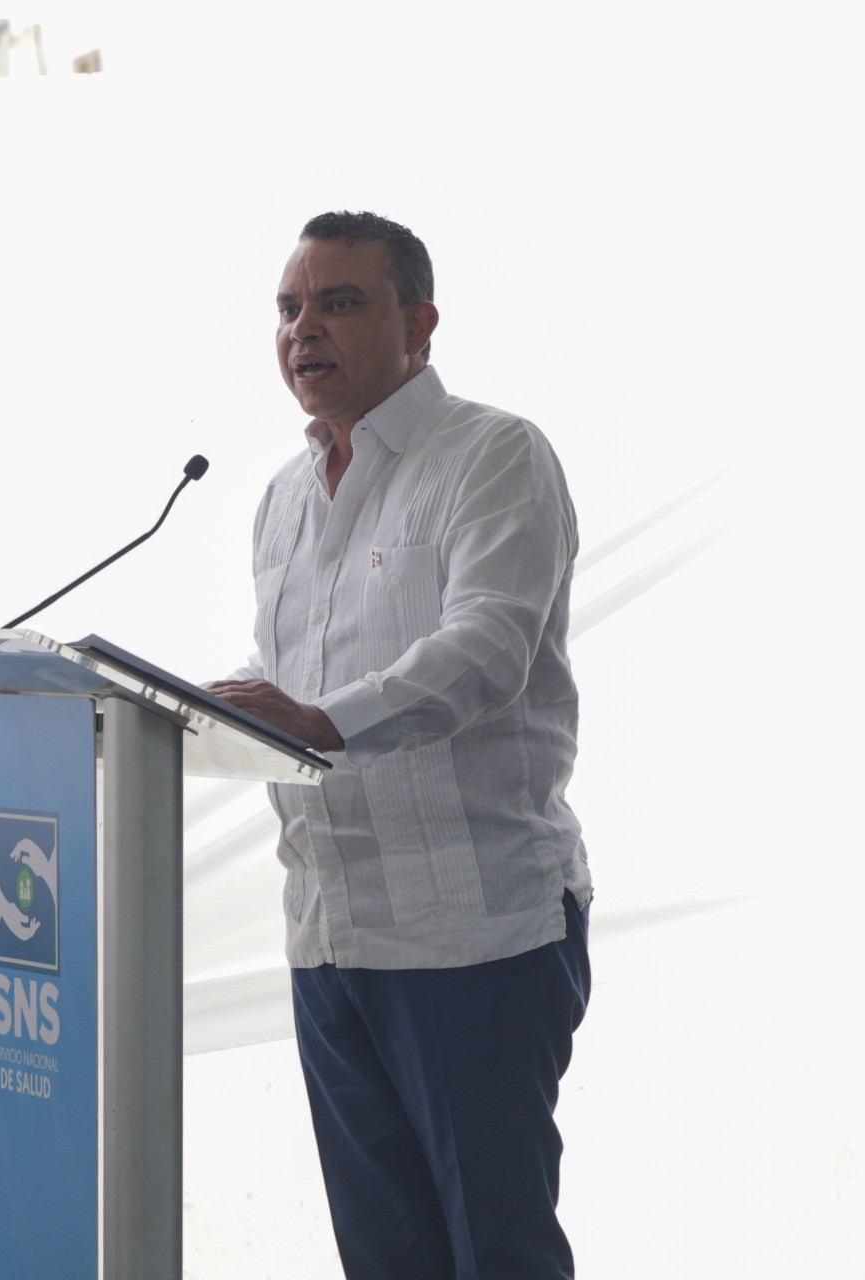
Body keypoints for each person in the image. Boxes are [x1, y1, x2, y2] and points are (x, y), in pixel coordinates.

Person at [207, 211, 592, 1280]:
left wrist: (322, 721)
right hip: (330, 934)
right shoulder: (282, 499)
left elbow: (487, 648)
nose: (304, 330)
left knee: (497, 1256)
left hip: (470, 933)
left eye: (339, 303)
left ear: (419, 324)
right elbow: (285, 678)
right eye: (289, 308)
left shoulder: (492, 454)